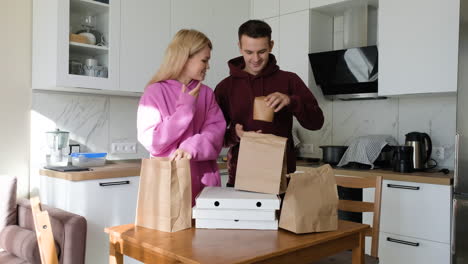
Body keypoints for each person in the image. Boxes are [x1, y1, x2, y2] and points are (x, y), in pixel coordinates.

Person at [214, 20, 324, 187]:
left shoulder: (289, 80)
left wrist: (291, 101)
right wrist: (235, 135)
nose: (255, 59)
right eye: (249, 52)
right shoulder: (225, 87)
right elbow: (215, 136)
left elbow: (317, 122)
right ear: (239, 47)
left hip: (282, 176)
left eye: (262, 51)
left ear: (271, 46)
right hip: (240, 177)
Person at [137, 29, 226, 204]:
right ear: (185, 57)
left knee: (204, 232)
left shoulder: (206, 93)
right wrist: (185, 111)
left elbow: (216, 135)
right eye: (204, 60)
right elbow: (152, 140)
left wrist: (190, 148)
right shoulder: (155, 92)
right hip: (169, 183)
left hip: (204, 185)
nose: (208, 66)